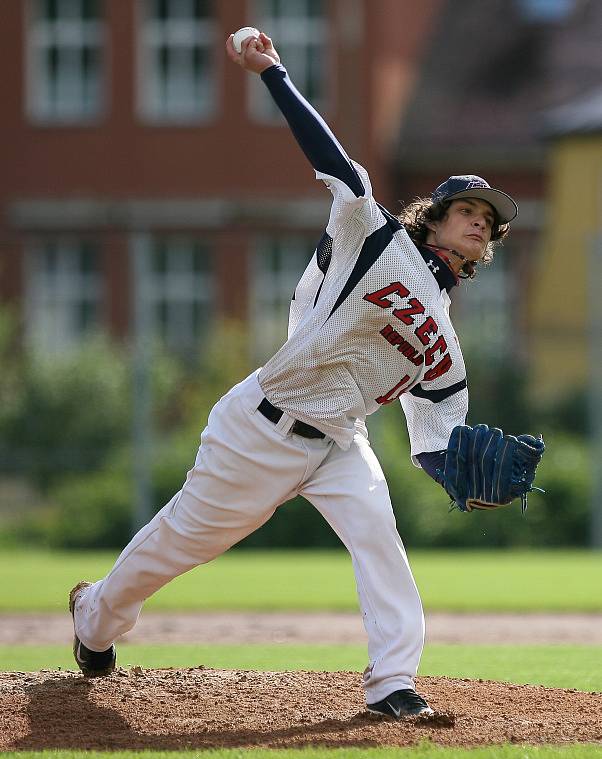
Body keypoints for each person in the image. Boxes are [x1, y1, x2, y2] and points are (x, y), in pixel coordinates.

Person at [68, 31, 519, 719]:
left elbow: (435, 436)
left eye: (489, 222)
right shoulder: (375, 237)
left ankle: (393, 683)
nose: (480, 226)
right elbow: (337, 164)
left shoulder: (448, 349)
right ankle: (95, 615)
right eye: (468, 212)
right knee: (182, 543)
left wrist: (460, 479)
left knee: (380, 541)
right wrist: (273, 72)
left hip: (340, 442)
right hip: (262, 425)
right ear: (433, 219)